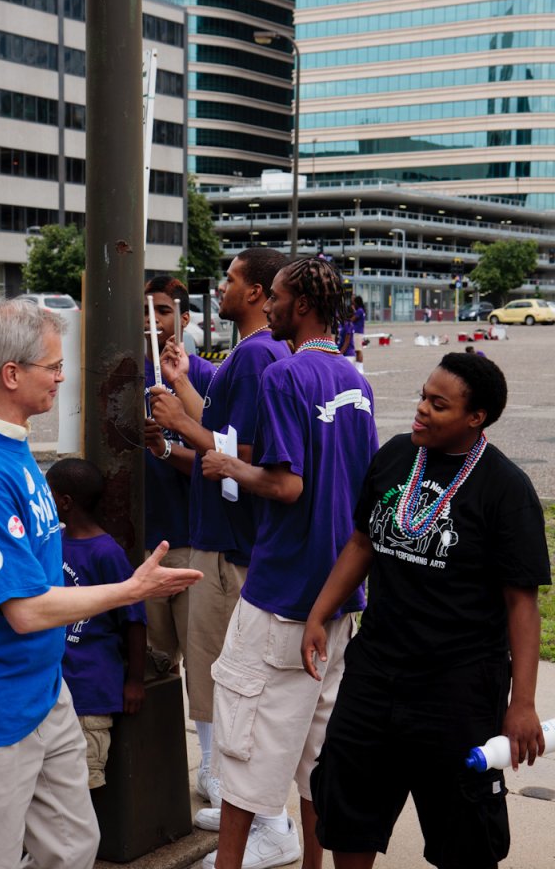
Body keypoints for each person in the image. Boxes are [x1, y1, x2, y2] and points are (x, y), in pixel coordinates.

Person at [0, 295, 202, 869]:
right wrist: (131, 590)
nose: (61, 376)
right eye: (52, 366)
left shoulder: (15, 446)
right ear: (12, 374)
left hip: (44, 691)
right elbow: (23, 610)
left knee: (73, 844)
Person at [302, 352, 551, 869]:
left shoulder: (506, 489)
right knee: (349, 806)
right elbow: (362, 543)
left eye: (438, 405)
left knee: (464, 828)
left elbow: (521, 604)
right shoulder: (395, 456)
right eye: (421, 396)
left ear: (474, 417)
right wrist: (319, 614)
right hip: (375, 670)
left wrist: (521, 702)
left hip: (457, 686)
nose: (420, 410)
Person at [198, 258, 379, 869]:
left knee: (246, 751)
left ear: (299, 305)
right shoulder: (356, 380)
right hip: (339, 597)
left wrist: (228, 467)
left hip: (282, 594)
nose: (267, 306)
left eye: (274, 297)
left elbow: (286, 486)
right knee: (316, 755)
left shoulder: (285, 376)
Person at [149, 248, 290, 811]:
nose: (223, 288)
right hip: (222, 536)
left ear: (254, 292)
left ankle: (246, 800)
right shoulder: (246, 353)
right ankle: (230, 788)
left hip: (232, 543)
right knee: (219, 674)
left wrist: (181, 424)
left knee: (228, 677)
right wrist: (184, 387)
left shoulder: (257, 357)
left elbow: (253, 451)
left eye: (231, 280)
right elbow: (221, 426)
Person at [47, 457, 147, 791]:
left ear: (65, 502)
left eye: (49, 494)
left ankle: (85, 843)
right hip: (55, 688)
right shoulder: (54, 544)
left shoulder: (106, 553)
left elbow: (133, 619)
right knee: (53, 779)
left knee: (84, 781)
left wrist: (134, 680)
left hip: (92, 693)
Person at [143, 276, 214, 672]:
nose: (152, 319)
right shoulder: (125, 374)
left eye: (163, 311)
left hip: (192, 540)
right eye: (146, 309)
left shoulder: (203, 377)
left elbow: (217, 458)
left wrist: (167, 447)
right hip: (144, 541)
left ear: (185, 319)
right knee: (155, 664)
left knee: (201, 670)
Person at [351, 295, 366, 374]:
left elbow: (353, 319)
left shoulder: (359, 310)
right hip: (359, 332)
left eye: (354, 302)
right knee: (358, 350)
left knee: (358, 350)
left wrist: (353, 311)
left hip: (358, 332)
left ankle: (360, 367)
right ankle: (358, 367)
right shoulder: (361, 310)